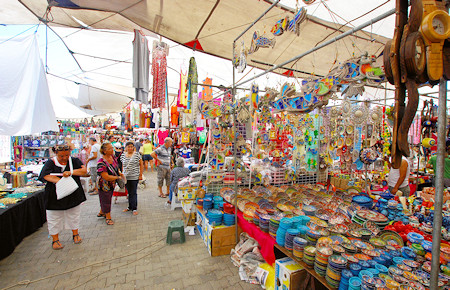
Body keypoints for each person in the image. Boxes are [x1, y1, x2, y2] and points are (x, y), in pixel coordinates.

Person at [38, 144, 87, 250]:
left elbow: (84, 171)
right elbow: (45, 175)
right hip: (54, 196)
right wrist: (61, 182)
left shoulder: (74, 161)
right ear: (56, 154)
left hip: (73, 194)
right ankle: (55, 239)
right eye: (61, 156)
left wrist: (71, 173)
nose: (64, 158)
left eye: (66, 155)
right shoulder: (51, 162)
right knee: (54, 217)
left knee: (74, 214)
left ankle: (75, 234)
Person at [97, 142, 123, 225]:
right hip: (104, 184)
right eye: (110, 149)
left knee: (106, 198)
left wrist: (119, 173)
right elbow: (106, 177)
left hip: (112, 183)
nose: (112, 150)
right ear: (104, 151)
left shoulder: (113, 157)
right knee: (106, 200)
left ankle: (102, 212)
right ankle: (108, 217)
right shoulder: (101, 162)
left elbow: (116, 167)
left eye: (112, 148)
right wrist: (117, 177)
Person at [121, 141, 144, 215]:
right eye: (129, 147)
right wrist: (122, 174)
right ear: (126, 148)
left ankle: (134, 208)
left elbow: (141, 164)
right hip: (126, 177)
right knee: (129, 192)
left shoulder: (137, 155)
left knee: (133, 192)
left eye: (131, 147)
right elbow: (122, 166)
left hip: (134, 176)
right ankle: (130, 206)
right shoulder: (123, 155)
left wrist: (140, 174)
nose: (130, 148)